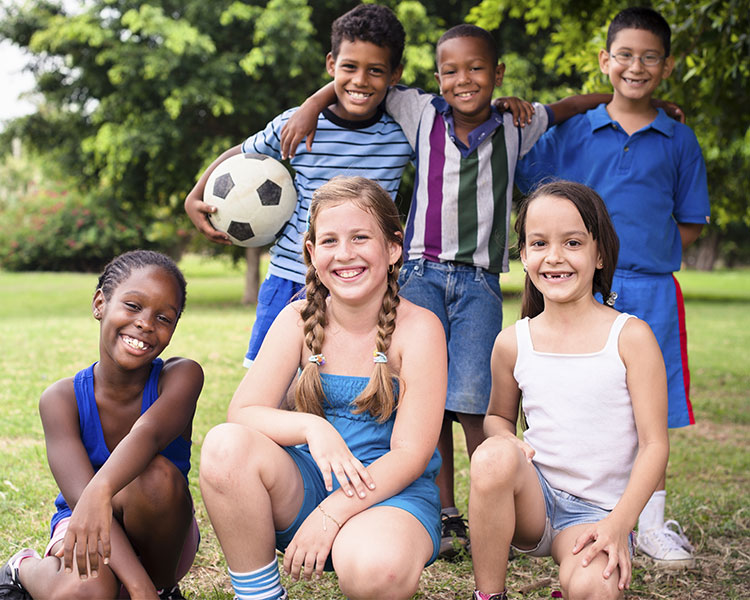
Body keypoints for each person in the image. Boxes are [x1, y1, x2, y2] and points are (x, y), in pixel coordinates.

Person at [280, 23, 612, 558]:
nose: (464, 80)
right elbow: (360, 80)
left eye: (477, 69)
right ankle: (443, 507)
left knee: (475, 399)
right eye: (451, 71)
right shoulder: (421, 112)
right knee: (423, 396)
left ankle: (491, 506)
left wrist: (640, 102)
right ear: (436, 78)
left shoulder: (516, 124)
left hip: (480, 279)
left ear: (497, 74)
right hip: (420, 271)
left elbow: (570, 104)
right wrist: (308, 108)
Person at [515, 7, 709, 568]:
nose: (636, 66)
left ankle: (648, 523)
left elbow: (690, 219)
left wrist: (646, 250)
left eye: (650, 56)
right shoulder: (576, 130)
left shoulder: (679, 138)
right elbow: (533, 185)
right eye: (625, 54)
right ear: (605, 61)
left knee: (655, 404)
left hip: (650, 286)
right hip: (579, 283)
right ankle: (561, 505)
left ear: (667, 66)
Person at [199, 176, 447, 600]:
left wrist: (333, 514)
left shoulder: (420, 329)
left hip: (390, 495)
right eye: (329, 241)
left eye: (360, 237)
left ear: (393, 247)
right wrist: (314, 430)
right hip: (308, 483)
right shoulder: (297, 320)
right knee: (224, 446)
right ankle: (259, 596)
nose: (344, 253)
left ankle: (368, 549)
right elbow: (243, 412)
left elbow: (410, 455)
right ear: (312, 254)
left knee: (377, 573)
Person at [469, 181, 669, 600]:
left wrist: (619, 524)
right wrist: (506, 441)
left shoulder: (630, 337)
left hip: (596, 515)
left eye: (572, 242)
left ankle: (577, 581)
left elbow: (654, 446)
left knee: (594, 589)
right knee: (490, 458)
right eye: (539, 243)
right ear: (523, 256)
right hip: (533, 502)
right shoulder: (513, 341)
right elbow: (497, 418)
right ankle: (489, 595)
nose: (554, 257)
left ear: (599, 254)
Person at [184, 3, 414, 368]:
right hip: (292, 276)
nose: (360, 80)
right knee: (272, 385)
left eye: (376, 71)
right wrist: (194, 196)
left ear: (395, 74)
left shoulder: (403, 131)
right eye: (349, 67)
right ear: (330, 65)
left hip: (362, 284)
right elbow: (243, 152)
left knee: (345, 381)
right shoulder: (299, 124)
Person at [0, 251, 203, 600]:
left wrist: (101, 488)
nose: (145, 323)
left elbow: (149, 433)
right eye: (133, 306)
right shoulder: (61, 400)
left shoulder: (182, 376)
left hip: (161, 537)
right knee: (86, 590)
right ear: (99, 304)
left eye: (163, 318)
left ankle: (161, 588)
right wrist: (138, 588)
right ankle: (24, 568)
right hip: (86, 524)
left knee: (155, 475)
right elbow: (84, 500)